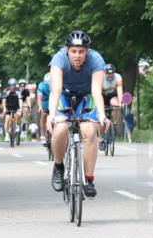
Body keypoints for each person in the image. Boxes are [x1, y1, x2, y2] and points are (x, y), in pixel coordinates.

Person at [47, 30, 110, 198]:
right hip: (64, 96)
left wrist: (102, 116)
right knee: (60, 130)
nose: (77, 55)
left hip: (86, 96)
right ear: (67, 50)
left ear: (87, 51)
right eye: (73, 51)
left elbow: (96, 90)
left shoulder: (96, 60)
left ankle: (89, 180)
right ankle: (59, 167)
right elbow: (56, 89)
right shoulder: (58, 59)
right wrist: (51, 115)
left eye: (81, 51)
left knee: (90, 132)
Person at [100, 64, 124, 148]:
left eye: (112, 73)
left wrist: (120, 102)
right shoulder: (100, 77)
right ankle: (101, 138)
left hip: (112, 96)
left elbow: (119, 90)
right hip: (102, 96)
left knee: (117, 106)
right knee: (100, 111)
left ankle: (114, 124)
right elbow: (97, 92)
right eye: (108, 74)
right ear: (105, 73)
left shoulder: (118, 77)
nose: (110, 75)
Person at [36, 73, 52, 146]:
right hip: (45, 101)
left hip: (54, 100)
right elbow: (39, 98)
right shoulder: (42, 85)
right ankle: (42, 134)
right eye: (47, 83)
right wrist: (40, 107)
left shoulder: (57, 83)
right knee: (44, 114)